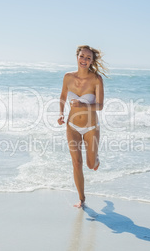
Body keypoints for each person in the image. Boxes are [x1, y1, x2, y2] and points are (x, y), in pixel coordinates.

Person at [58, 45, 108, 208]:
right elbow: (63, 96)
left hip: (91, 128)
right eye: (82, 56)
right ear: (77, 57)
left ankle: (96, 159)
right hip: (71, 126)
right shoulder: (68, 77)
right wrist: (61, 114)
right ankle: (82, 199)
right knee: (76, 163)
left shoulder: (96, 79)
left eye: (88, 58)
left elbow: (100, 106)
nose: (84, 60)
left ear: (92, 61)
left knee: (90, 164)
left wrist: (82, 105)